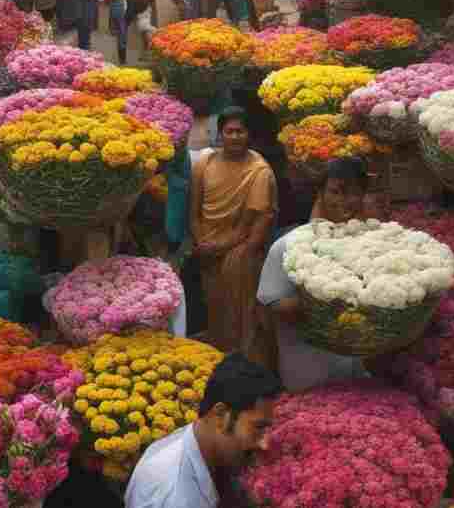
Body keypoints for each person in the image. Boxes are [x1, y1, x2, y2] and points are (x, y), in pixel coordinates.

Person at [258, 158, 370, 392]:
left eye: (354, 193)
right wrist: (323, 301)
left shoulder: (368, 246)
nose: (345, 201)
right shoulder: (288, 245)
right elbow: (270, 306)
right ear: (319, 193)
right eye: (336, 192)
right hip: (306, 370)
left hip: (353, 368)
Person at [125, 353, 281, 508]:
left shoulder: (197, 443)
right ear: (220, 414)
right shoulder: (178, 496)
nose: (265, 443)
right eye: (258, 427)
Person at [189, 107, 277, 362]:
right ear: (220, 134)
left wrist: (218, 247)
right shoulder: (204, 163)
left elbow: (250, 229)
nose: (235, 137)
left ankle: (242, 366)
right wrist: (201, 241)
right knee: (214, 313)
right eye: (230, 131)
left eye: (241, 131)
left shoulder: (259, 171)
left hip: (238, 255)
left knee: (240, 317)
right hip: (206, 251)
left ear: (249, 135)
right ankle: (216, 364)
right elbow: (194, 212)